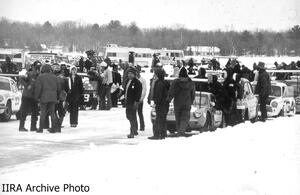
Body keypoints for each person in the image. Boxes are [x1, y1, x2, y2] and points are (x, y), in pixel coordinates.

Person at [166, 67, 195, 137]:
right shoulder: (191, 83)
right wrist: (191, 101)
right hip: (187, 102)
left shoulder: (176, 82)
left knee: (178, 117)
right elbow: (193, 93)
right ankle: (181, 131)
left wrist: (168, 100)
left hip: (177, 102)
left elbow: (171, 92)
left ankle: (180, 131)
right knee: (185, 118)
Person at [34, 64, 60, 133]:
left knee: (43, 113)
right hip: (53, 97)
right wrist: (57, 97)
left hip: (44, 97)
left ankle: (41, 128)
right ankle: (53, 128)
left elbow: (38, 88)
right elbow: (58, 88)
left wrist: (36, 97)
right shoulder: (55, 77)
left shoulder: (40, 77)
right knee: (52, 113)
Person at [18, 61, 41, 132]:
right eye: (37, 67)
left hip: (34, 97)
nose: (38, 69)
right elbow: (21, 79)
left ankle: (33, 127)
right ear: (33, 67)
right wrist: (27, 85)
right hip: (26, 96)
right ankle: (21, 127)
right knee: (24, 111)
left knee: (35, 112)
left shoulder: (40, 76)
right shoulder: (29, 74)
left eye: (39, 68)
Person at [148, 68, 170, 140]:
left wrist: (156, 102)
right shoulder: (165, 82)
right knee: (163, 119)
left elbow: (159, 95)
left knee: (158, 120)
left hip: (160, 104)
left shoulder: (159, 83)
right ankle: (163, 134)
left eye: (155, 74)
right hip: (165, 104)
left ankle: (157, 134)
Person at [124, 67, 142, 138]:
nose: (129, 75)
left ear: (134, 74)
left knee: (132, 117)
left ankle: (133, 131)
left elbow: (138, 93)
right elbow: (126, 90)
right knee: (129, 116)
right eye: (128, 73)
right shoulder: (127, 81)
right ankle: (134, 129)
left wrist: (136, 102)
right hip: (128, 102)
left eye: (131, 73)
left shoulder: (137, 82)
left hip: (133, 102)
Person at [54, 65, 69, 130]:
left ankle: (57, 124)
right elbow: (67, 89)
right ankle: (59, 124)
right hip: (61, 96)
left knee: (53, 111)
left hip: (54, 96)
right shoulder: (64, 78)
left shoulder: (53, 78)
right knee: (61, 111)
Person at [136, 65, 147, 131]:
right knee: (133, 114)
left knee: (140, 113)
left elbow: (144, 90)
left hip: (140, 99)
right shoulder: (133, 79)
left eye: (138, 71)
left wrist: (141, 98)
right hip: (134, 99)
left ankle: (142, 126)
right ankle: (135, 127)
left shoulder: (142, 80)